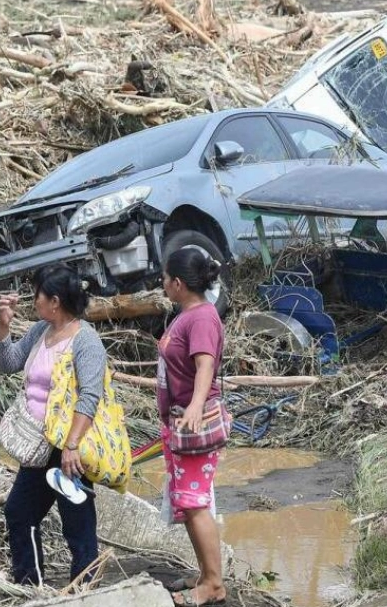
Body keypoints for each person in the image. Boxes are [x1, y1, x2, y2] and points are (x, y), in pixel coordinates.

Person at [0, 265, 106, 586]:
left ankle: (84, 589)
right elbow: (8, 364)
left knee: (77, 524)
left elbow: (90, 396)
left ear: (54, 301)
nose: (34, 302)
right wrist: (4, 328)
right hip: (40, 446)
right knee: (19, 513)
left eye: (37, 297)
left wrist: (72, 445)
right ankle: (30, 586)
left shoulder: (85, 341)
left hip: (70, 447)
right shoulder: (40, 332)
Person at [157, 248, 228, 607]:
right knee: (187, 502)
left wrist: (197, 405)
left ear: (179, 283)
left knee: (195, 503)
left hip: (194, 422)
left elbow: (205, 365)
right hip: (180, 421)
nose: (163, 283)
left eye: (165, 278)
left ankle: (214, 583)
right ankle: (205, 573)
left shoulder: (201, 318)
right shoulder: (186, 315)